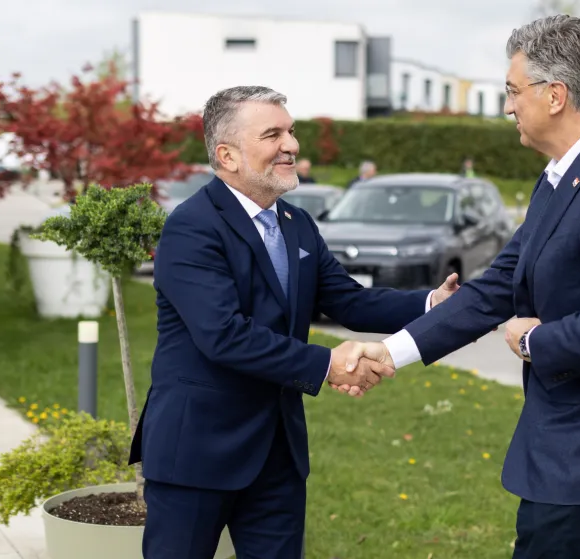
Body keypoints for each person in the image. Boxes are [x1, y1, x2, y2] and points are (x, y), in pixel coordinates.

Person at [333, 15, 580, 559]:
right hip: (577, 449)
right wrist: (390, 352)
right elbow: (498, 286)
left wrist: (531, 340)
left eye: (513, 91)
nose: (508, 107)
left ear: (555, 95)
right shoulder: (563, 175)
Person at [128, 85, 460, 559]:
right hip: (197, 452)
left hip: (278, 454)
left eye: (291, 131)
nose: (292, 145)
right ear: (227, 155)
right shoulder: (192, 226)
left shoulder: (296, 222)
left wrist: (432, 303)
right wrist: (328, 365)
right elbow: (224, 335)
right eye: (273, 135)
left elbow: (349, 302)